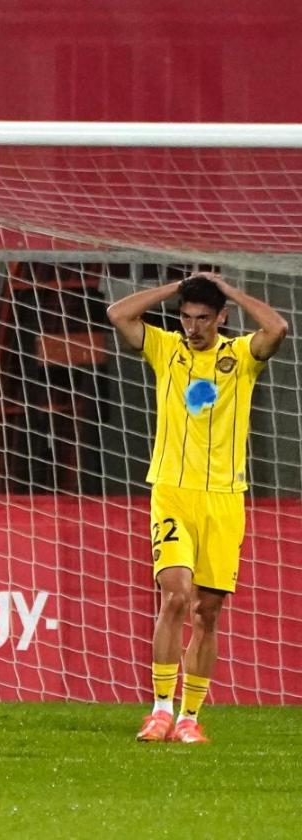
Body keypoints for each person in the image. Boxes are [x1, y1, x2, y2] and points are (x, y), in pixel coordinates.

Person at [107, 272, 288, 744]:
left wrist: (228, 290)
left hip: (226, 498)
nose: (193, 327)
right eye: (186, 318)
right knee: (175, 596)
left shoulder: (240, 355)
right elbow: (118, 314)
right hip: (171, 491)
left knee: (208, 612)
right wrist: (174, 289)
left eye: (203, 318)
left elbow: (278, 330)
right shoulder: (166, 349)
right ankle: (160, 711)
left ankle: (189, 716)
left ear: (221, 317)